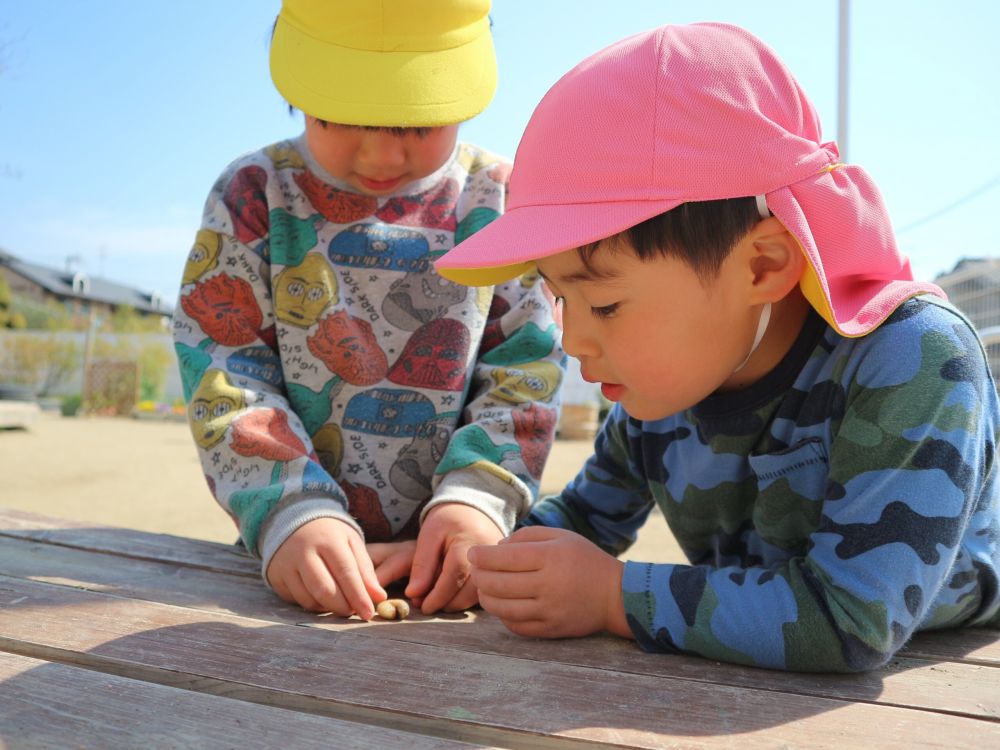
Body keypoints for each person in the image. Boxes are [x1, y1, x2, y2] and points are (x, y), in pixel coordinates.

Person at [434, 22, 1000, 672]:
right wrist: (474, 555)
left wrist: (611, 597)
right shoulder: (662, 388)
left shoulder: (911, 357)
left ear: (761, 267)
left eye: (606, 304)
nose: (574, 340)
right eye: (561, 299)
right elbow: (582, 523)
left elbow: (853, 618)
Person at [172, 0, 564, 621]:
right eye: (341, 116)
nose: (382, 156)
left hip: (457, 558)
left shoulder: (499, 201)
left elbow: (526, 366)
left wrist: (476, 502)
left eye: (418, 124)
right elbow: (227, 369)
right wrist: (291, 510)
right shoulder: (254, 194)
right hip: (300, 554)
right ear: (298, 92)